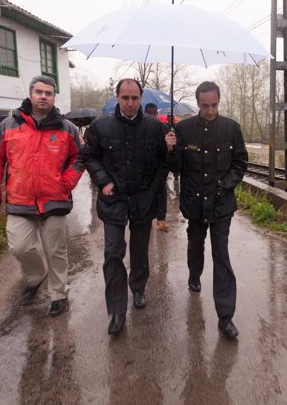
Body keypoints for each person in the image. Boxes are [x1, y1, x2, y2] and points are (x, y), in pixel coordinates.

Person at [0, 75, 84, 316]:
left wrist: (67, 180)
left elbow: (80, 156)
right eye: (39, 92)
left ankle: (59, 293)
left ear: (54, 97)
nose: (43, 96)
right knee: (20, 247)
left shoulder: (65, 128)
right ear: (30, 94)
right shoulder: (9, 125)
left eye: (48, 93)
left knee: (56, 250)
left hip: (54, 199)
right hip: (20, 200)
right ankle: (36, 277)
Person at [81, 78, 168, 336]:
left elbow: (166, 163)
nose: (130, 103)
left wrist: (154, 188)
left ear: (141, 99)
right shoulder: (100, 127)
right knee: (113, 253)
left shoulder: (154, 127)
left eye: (135, 98)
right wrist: (103, 180)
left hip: (143, 200)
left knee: (140, 250)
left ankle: (138, 287)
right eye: (125, 98)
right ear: (117, 98)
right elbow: (89, 156)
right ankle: (117, 310)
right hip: (113, 200)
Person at [165, 81, 248, 339]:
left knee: (221, 254)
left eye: (213, 105)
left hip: (221, 202)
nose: (209, 110)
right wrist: (170, 148)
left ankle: (225, 317)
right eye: (204, 106)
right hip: (194, 202)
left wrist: (226, 184)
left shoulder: (231, 129)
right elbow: (176, 168)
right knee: (195, 245)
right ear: (198, 103)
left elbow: (240, 162)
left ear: (219, 101)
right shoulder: (183, 129)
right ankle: (194, 274)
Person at [144, 102, 169, 232]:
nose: (153, 116)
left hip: (160, 166)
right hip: (145, 168)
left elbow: (168, 150)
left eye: (154, 113)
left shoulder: (163, 127)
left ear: (157, 114)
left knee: (161, 192)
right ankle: (147, 218)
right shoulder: (141, 127)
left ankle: (161, 218)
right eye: (150, 113)